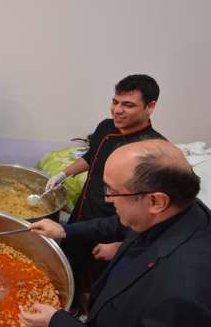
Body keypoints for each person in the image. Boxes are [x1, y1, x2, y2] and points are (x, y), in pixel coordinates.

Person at [20, 140, 211, 327]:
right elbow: (123, 222)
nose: (107, 200)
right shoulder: (176, 209)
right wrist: (65, 230)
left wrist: (57, 321)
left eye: (112, 191)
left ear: (155, 201)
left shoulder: (183, 294)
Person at [46, 74, 165, 308]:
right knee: (69, 266)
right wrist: (64, 174)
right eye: (115, 102)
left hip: (115, 228)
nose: (117, 110)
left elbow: (154, 214)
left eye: (128, 105)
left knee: (98, 285)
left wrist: (122, 246)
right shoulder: (105, 127)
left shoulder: (154, 150)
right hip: (83, 212)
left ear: (150, 107)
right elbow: (92, 158)